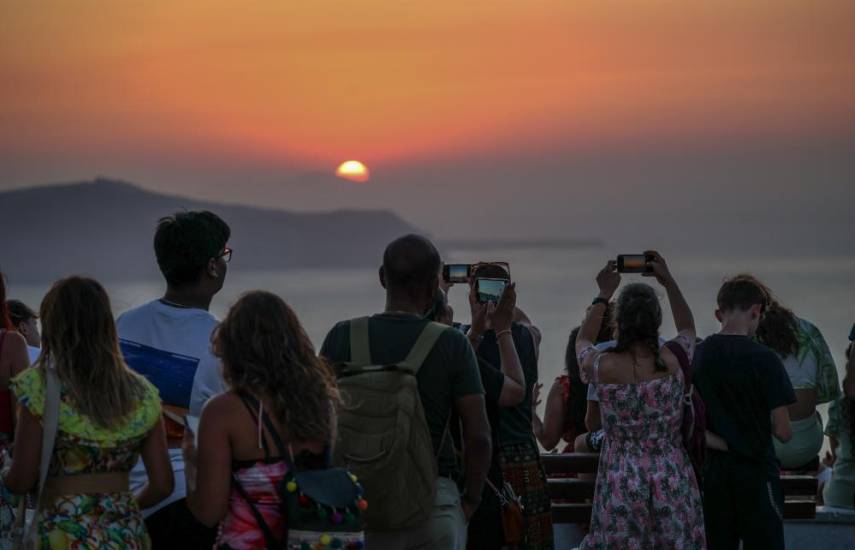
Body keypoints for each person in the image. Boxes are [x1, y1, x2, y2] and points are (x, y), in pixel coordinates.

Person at [320, 235, 491, 549]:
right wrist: (469, 501)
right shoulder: (451, 343)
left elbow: (318, 422)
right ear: (433, 286)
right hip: (432, 504)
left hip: (358, 501)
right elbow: (478, 435)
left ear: (383, 278)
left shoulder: (341, 336)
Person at [1, 276, 173, 548]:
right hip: (123, 535)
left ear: (54, 326)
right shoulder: (144, 393)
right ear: (106, 325)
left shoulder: (38, 387)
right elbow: (163, 484)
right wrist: (121, 511)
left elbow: (21, 480)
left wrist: (5, 471)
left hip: (62, 534)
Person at [181, 291, 355, 548]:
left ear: (232, 347)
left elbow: (209, 513)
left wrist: (190, 462)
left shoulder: (222, 412)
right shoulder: (321, 403)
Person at [116, 210, 231, 547]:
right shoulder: (222, 342)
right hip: (183, 501)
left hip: (121, 496)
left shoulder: (124, 324)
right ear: (211, 266)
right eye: (224, 255)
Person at [576, 252, 706, 549]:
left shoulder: (602, 367)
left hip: (620, 480)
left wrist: (603, 294)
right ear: (656, 321)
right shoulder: (675, 359)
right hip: (671, 478)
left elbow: (582, 342)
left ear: (618, 321)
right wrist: (668, 281)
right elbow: (688, 328)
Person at [693, 275, 796, 550]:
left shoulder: (699, 356)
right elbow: (783, 432)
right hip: (758, 477)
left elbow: (689, 421)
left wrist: (724, 442)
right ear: (756, 311)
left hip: (715, 477)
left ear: (719, 313)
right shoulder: (766, 359)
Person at [461, 262, 553, 549]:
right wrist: (507, 304)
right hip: (524, 456)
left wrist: (471, 298)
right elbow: (525, 323)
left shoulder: (462, 341)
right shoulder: (528, 336)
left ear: (473, 295)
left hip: (483, 462)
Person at [443, 285, 526, 550]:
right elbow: (515, 390)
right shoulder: (464, 362)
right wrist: (503, 328)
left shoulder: (415, 355)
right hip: (473, 493)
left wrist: (476, 332)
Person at [730, 276, 840, 470]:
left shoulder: (744, 337)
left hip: (763, 447)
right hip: (808, 446)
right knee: (816, 418)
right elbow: (827, 392)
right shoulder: (808, 330)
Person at [533, 306, 612, 453]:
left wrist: (531, 410)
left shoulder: (564, 387)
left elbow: (548, 441)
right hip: (616, 454)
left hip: (577, 461)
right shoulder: (625, 378)